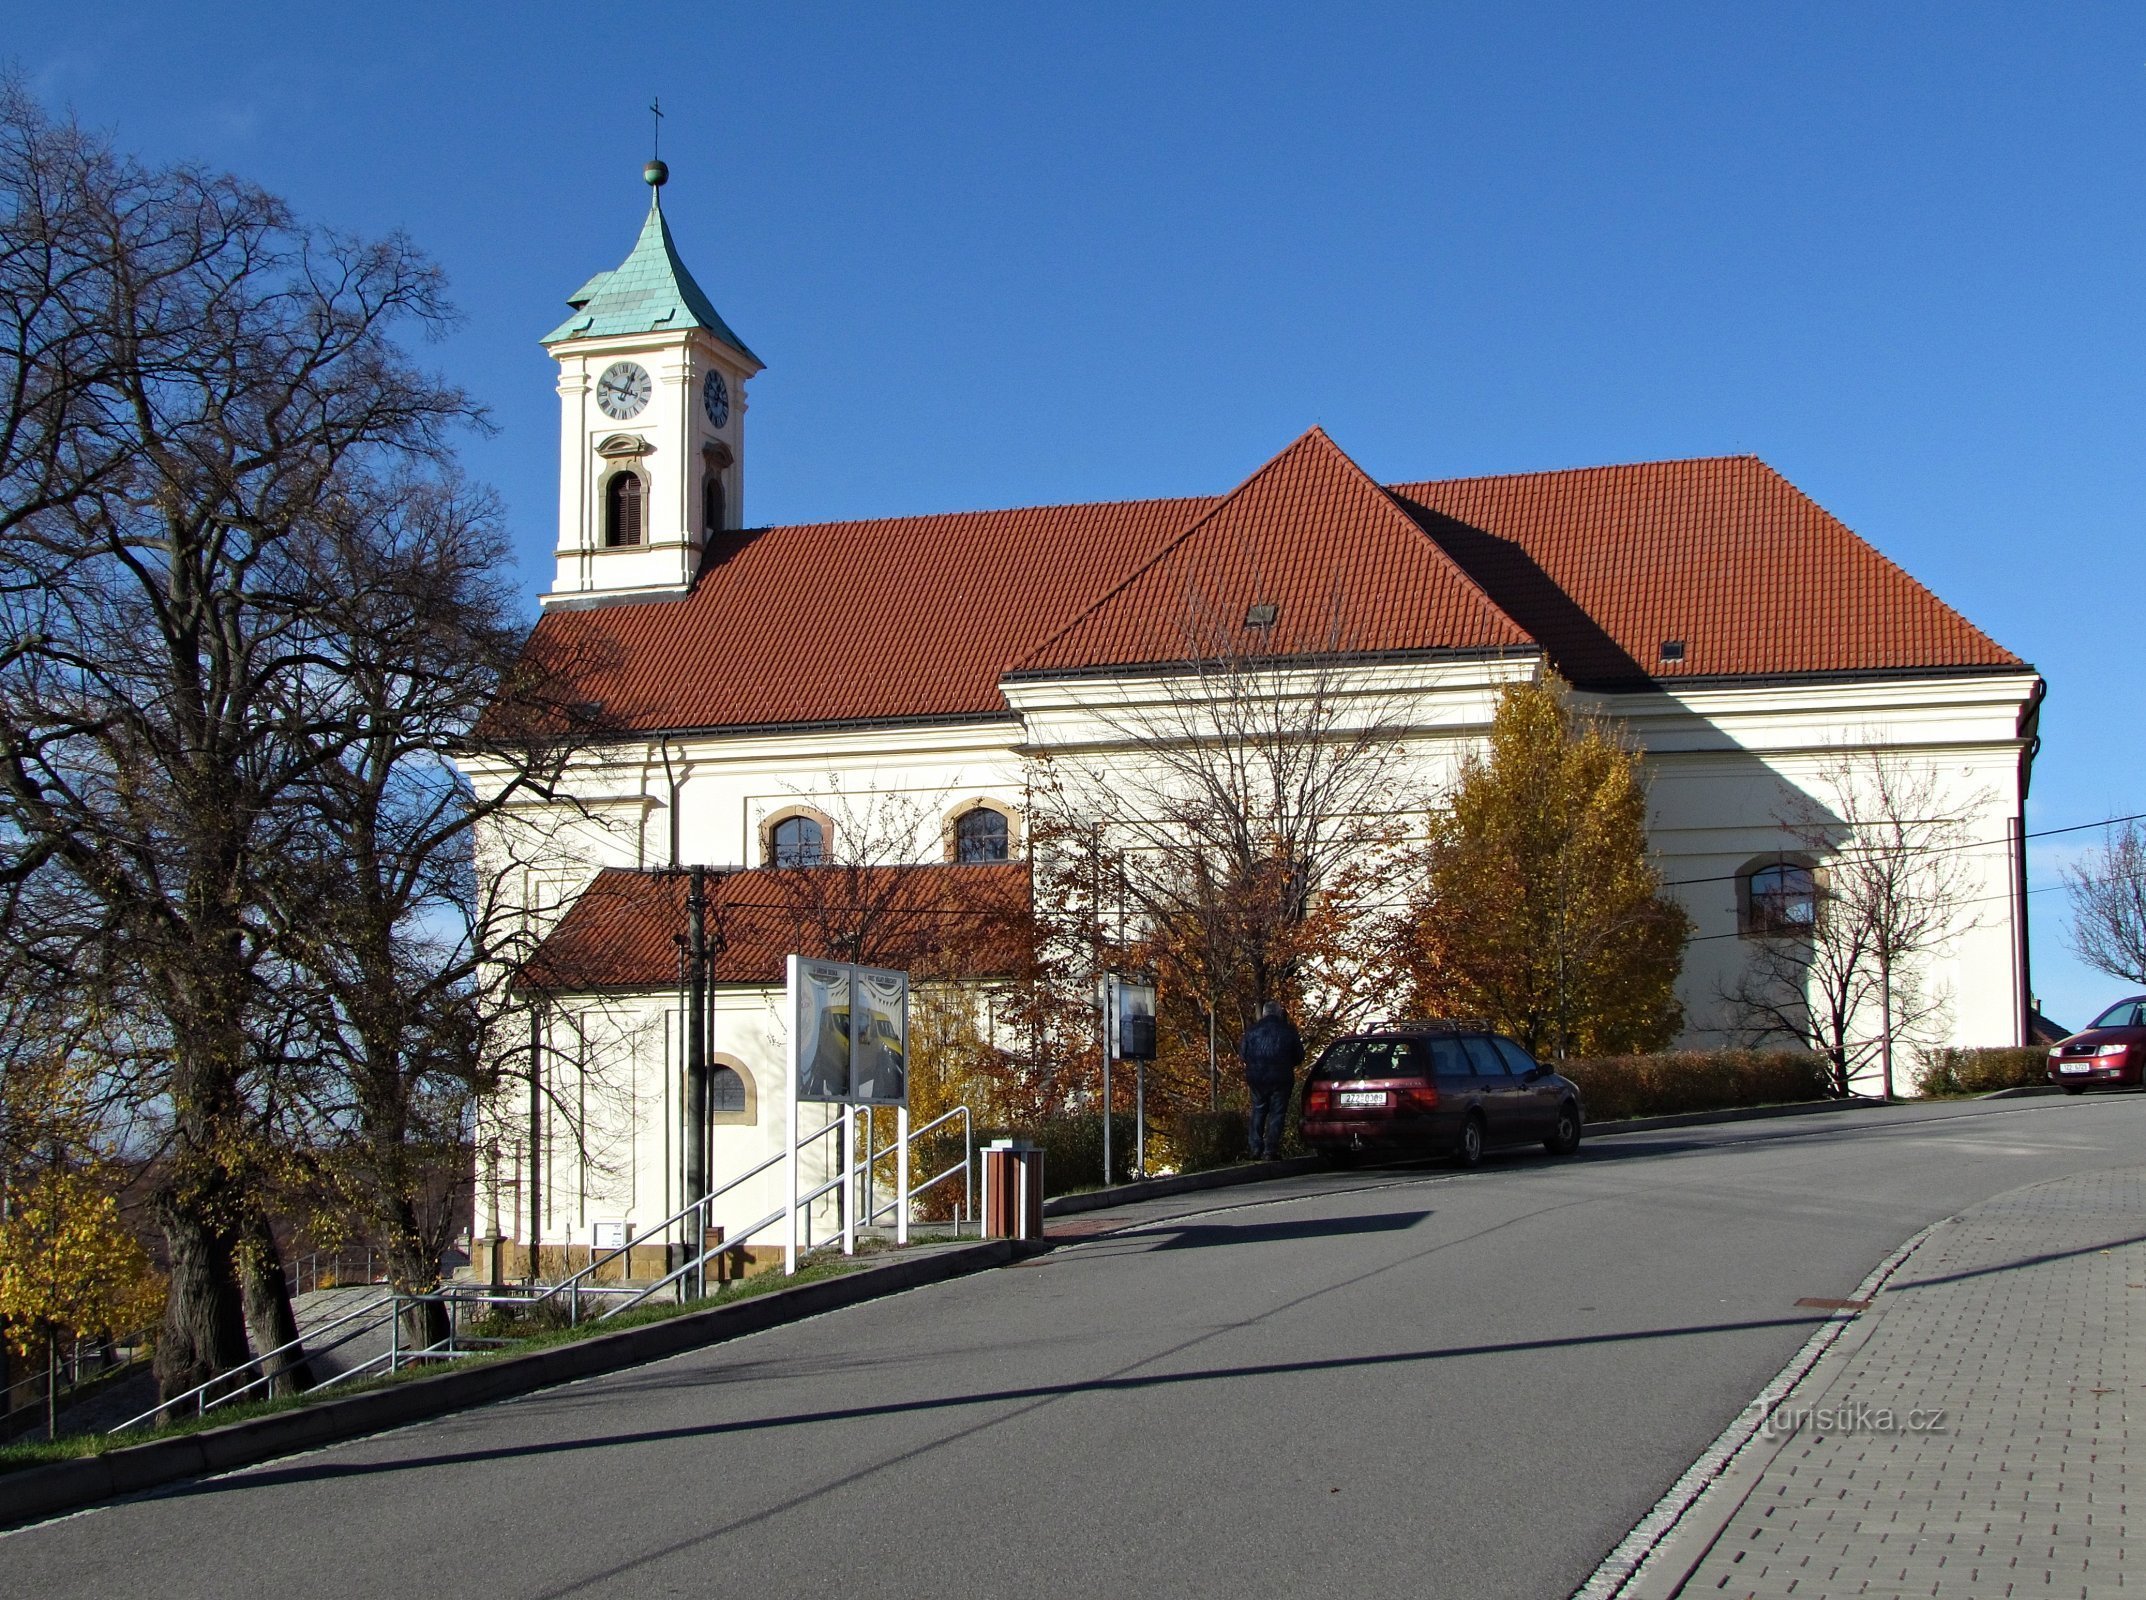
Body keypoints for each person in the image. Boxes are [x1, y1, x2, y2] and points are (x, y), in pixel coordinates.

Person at [1240, 999, 1304, 1160]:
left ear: (1263, 1014)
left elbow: (1243, 1055)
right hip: (1281, 1077)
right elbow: (1299, 1056)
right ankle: (1270, 1150)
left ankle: (1255, 1148)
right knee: (1277, 1113)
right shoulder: (1289, 1031)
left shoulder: (1252, 1031)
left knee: (1258, 1110)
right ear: (1279, 1012)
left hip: (1257, 1077)